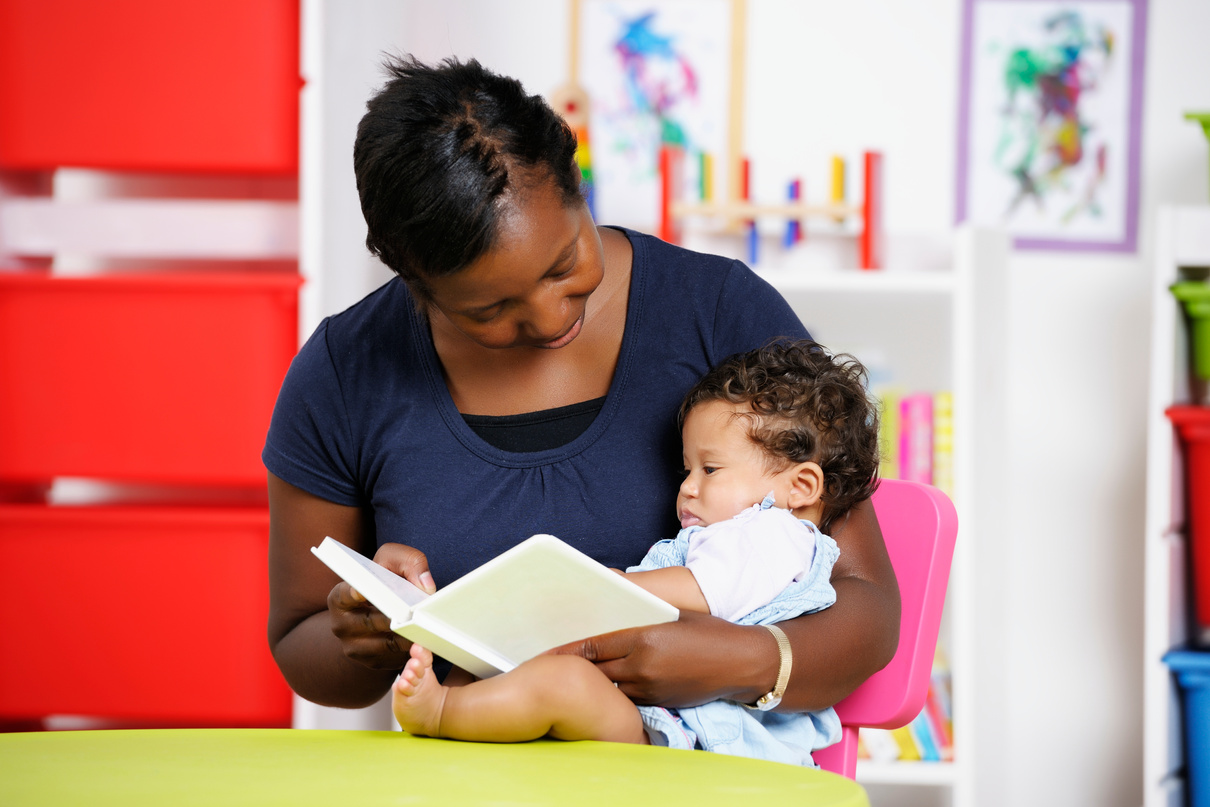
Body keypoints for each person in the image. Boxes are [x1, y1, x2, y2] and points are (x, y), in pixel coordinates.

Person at [263, 55, 898, 729]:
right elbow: (299, 641)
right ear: (417, 286)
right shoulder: (345, 372)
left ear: (577, 186)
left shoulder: (717, 313)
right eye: (490, 309)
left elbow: (868, 604)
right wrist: (367, 630)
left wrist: (736, 660)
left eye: (565, 264)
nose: (550, 317)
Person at [391, 339, 881, 766]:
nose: (687, 489)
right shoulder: (738, 533)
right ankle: (456, 717)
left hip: (704, 744)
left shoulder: (777, 535)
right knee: (508, 667)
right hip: (664, 728)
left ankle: (441, 714)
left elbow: (706, 592)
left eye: (710, 470)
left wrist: (609, 586)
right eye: (686, 470)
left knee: (561, 684)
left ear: (801, 485)